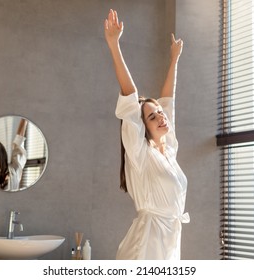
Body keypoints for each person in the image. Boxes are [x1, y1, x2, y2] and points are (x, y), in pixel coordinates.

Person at [104, 9, 190, 260]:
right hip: (146, 246)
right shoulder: (139, 153)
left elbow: (168, 101)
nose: (161, 117)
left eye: (160, 114)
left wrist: (174, 60)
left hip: (170, 242)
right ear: (142, 128)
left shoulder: (169, 151)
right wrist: (114, 45)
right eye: (152, 117)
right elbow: (130, 99)